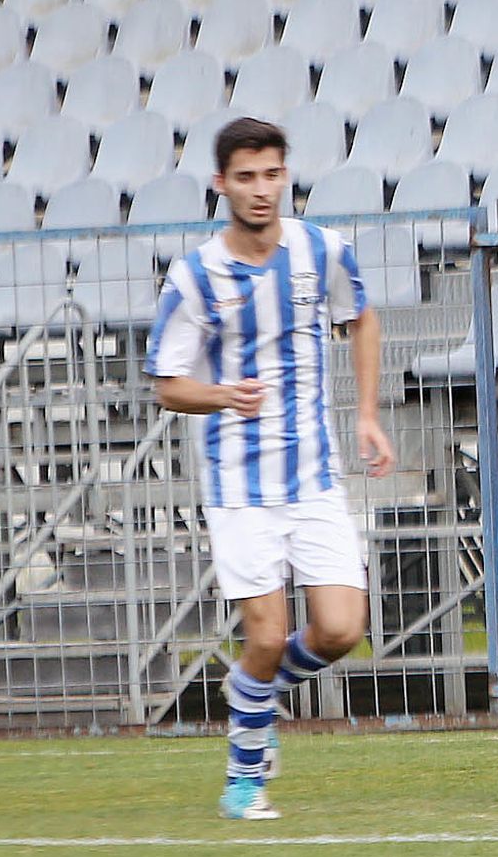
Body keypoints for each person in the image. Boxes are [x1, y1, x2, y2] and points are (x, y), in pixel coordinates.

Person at [146, 117, 395, 820]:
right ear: (220, 184)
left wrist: (368, 413)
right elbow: (166, 382)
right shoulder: (197, 274)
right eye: (246, 177)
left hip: (315, 476)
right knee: (262, 633)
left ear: (286, 176)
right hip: (240, 486)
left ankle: (251, 693)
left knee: (342, 629)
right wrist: (223, 394)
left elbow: (363, 320)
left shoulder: (323, 249)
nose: (261, 190)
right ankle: (243, 779)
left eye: (272, 175)